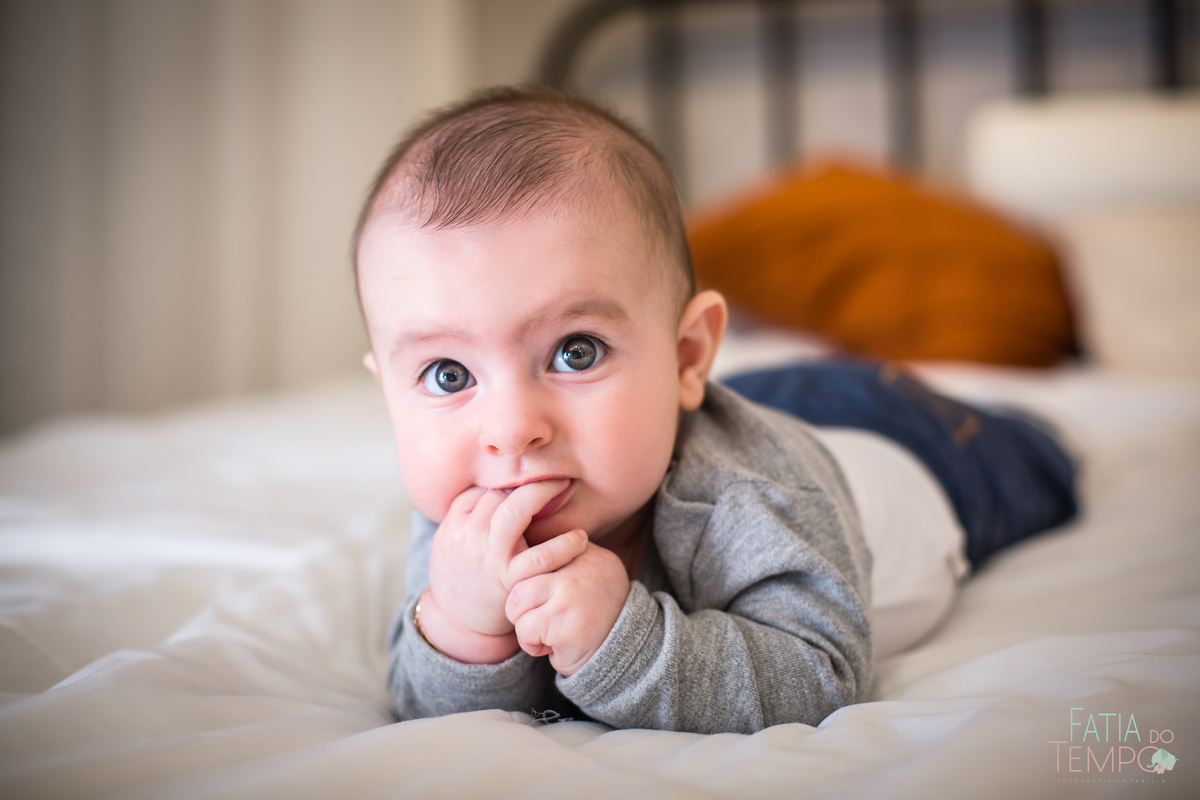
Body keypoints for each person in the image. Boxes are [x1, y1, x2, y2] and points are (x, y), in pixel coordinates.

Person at [352, 87, 1076, 735]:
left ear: (688, 357)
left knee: (1036, 464)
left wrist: (623, 643)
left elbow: (822, 673)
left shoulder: (750, 500)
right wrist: (460, 628)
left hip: (907, 450)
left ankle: (1031, 431)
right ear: (388, 389)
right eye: (449, 374)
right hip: (740, 409)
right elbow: (423, 701)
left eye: (575, 352)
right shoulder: (470, 503)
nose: (511, 431)